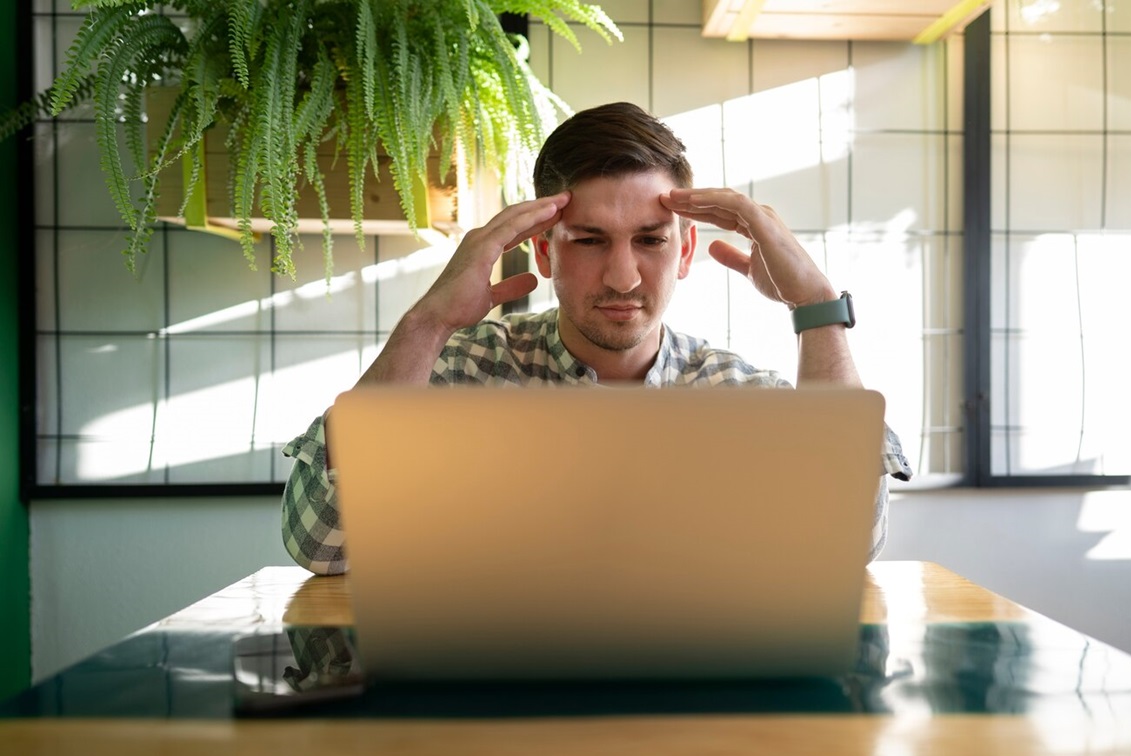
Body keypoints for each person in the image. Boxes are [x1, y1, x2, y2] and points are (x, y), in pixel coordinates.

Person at [281, 102, 912, 575]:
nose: (623, 276)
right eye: (589, 240)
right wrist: (427, 323)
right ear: (543, 251)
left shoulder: (736, 392)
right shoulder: (456, 373)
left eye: (650, 239)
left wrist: (816, 307)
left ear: (684, 248)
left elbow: (844, 541)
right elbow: (321, 543)